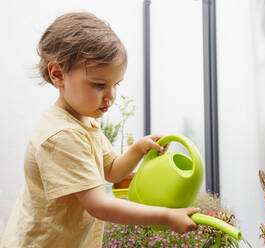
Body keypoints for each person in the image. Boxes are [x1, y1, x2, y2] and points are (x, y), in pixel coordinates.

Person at [0, 12, 199, 248]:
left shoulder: (83, 121)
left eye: (116, 84)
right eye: (99, 84)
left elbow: (111, 171)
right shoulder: (62, 136)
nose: (111, 96)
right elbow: (98, 205)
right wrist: (165, 216)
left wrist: (137, 149)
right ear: (58, 74)